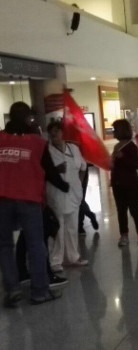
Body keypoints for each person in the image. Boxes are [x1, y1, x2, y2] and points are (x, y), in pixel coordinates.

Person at [0, 102, 63, 307]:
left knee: (4, 246)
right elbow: (51, 171)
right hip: (29, 200)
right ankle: (39, 291)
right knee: (36, 245)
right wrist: (64, 186)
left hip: (2, 199)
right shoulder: (37, 143)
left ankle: (12, 290)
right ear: (29, 119)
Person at [46, 120, 88, 272]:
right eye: (51, 132)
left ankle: (73, 257)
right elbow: (42, 173)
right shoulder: (47, 151)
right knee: (58, 228)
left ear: (63, 132)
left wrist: (80, 183)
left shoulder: (74, 149)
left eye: (57, 130)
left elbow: (83, 167)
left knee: (72, 227)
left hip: (74, 194)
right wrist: (56, 170)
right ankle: (55, 260)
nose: (54, 134)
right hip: (56, 195)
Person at [111, 119, 138, 246]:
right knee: (121, 210)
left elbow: (135, 165)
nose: (113, 132)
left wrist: (122, 157)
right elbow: (115, 166)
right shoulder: (116, 147)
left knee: (134, 209)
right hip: (118, 184)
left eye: (115, 130)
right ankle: (123, 235)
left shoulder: (131, 147)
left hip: (131, 184)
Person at [78, 163, 99, 235]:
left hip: (81, 174)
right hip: (78, 173)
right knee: (80, 200)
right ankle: (89, 216)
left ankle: (80, 226)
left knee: (79, 201)